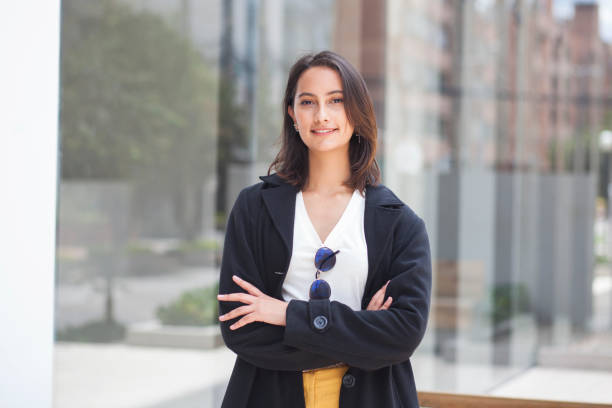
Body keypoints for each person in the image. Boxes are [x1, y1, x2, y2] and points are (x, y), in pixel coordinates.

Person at [217, 50, 432, 408]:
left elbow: (402, 335)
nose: (322, 115)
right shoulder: (253, 208)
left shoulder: (400, 223)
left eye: (336, 100)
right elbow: (242, 329)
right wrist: (360, 335)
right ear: (292, 113)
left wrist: (286, 314)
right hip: (268, 396)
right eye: (307, 102)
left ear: (357, 111)